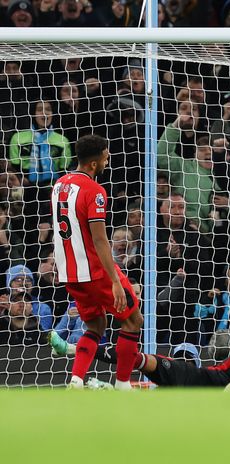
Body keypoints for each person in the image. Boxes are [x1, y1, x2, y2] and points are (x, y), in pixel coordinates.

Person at [50, 134, 142, 391]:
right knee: (134, 320)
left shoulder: (59, 185)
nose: (107, 161)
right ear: (94, 163)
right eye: (105, 157)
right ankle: (123, 385)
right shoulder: (95, 191)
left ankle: (76, 381)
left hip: (70, 273)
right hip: (94, 271)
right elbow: (100, 240)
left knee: (96, 324)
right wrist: (115, 281)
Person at [48, 331, 230, 388]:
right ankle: (73, 348)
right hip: (193, 381)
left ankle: (104, 388)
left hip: (195, 406)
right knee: (136, 358)